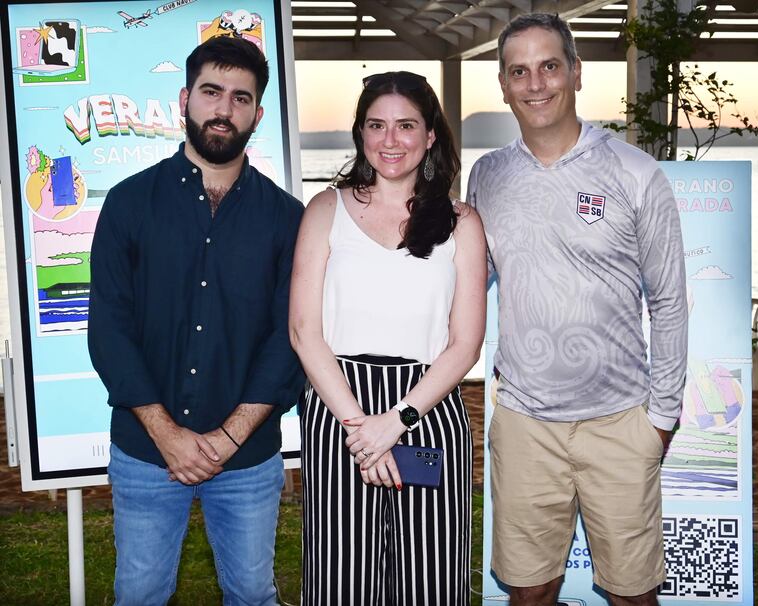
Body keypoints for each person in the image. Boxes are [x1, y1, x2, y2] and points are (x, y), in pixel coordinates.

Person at [467, 13, 687, 606]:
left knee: (632, 595)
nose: (535, 83)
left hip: (620, 423)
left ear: (576, 73)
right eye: (519, 71)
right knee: (530, 593)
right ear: (504, 84)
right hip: (524, 424)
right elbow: (470, 282)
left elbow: (668, 301)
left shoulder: (637, 174)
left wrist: (660, 421)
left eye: (549, 66)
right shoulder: (487, 176)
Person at [88, 35, 304, 606]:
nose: (223, 109)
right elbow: (109, 328)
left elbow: (290, 340)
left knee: (253, 595)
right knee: (139, 595)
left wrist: (228, 438)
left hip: (249, 458)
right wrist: (167, 434)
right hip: (145, 452)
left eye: (240, 98)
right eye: (212, 92)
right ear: (185, 98)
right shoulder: (129, 203)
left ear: (258, 113)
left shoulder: (288, 218)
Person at [289, 71, 486, 605]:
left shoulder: (462, 222)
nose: (390, 139)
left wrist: (395, 422)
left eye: (406, 126)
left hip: (426, 408)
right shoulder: (325, 210)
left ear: (430, 137)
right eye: (376, 125)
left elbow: (465, 344)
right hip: (339, 411)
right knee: (339, 580)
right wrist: (361, 429)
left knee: (431, 580)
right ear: (360, 134)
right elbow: (304, 332)